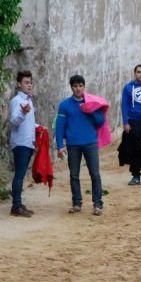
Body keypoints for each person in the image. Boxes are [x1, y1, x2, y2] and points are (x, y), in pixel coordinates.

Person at [56, 75, 105, 215]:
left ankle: (98, 204)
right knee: (74, 175)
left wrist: (91, 111)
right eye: (75, 86)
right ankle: (76, 203)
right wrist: (60, 145)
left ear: (84, 86)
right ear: (71, 87)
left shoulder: (92, 102)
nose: (78, 89)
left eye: (80, 86)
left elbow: (100, 122)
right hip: (73, 145)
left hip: (90, 142)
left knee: (95, 174)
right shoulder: (65, 105)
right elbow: (60, 127)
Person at [9, 71, 35, 217]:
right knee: (19, 175)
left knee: (22, 174)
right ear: (19, 84)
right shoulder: (16, 101)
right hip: (20, 143)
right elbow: (13, 121)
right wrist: (23, 113)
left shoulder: (29, 100)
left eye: (30, 82)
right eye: (26, 82)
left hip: (28, 142)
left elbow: (28, 124)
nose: (29, 85)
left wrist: (38, 128)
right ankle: (16, 206)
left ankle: (18, 204)